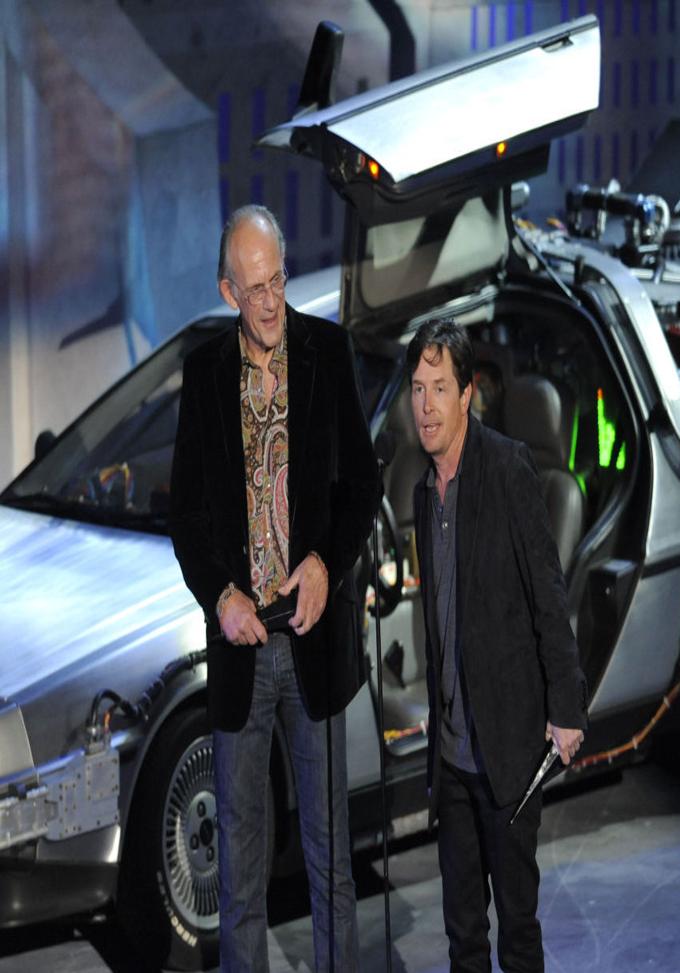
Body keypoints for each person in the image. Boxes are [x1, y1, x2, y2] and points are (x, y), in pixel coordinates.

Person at [169, 204, 379, 972]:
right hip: (242, 649)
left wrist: (324, 560)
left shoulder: (327, 350)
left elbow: (364, 486)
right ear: (228, 291)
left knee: (329, 859)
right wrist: (219, 595)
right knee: (240, 871)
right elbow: (185, 515)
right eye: (253, 289)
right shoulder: (205, 374)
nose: (269, 303)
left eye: (277, 281)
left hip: (312, 642)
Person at [408, 318, 588, 972]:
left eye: (439, 388)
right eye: (417, 389)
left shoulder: (508, 467)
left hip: (508, 751)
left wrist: (565, 708)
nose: (426, 405)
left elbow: (547, 594)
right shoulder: (422, 493)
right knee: (463, 938)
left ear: (467, 394)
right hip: (452, 757)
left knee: (516, 930)